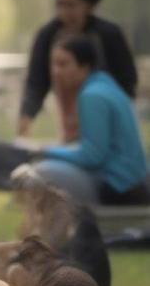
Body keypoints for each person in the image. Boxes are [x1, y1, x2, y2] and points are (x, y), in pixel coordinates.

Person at [18, 0, 137, 142]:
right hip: (68, 120)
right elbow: (36, 81)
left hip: (105, 119)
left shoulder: (108, 35)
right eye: (60, 4)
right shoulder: (48, 35)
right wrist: (26, 117)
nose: (65, 12)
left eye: (71, 5)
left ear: (89, 5)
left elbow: (126, 82)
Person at [30, 36, 149, 206]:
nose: (55, 71)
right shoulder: (106, 85)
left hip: (119, 189)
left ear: (84, 66)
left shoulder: (92, 96)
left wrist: (46, 151)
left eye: (63, 64)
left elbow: (92, 155)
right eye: (54, 64)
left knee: (42, 172)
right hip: (135, 184)